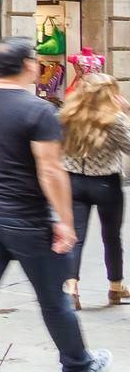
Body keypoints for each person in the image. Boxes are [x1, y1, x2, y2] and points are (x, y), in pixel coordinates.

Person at [0, 37, 110, 372]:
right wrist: (66, 222)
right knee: (52, 297)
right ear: (27, 65)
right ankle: (77, 365)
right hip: (25, 216)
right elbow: (51, 170)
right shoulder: (38, 111)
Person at [59, 72, 130, 308]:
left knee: (74, 237)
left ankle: (71, 289)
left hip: (74, 181)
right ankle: (116, 286)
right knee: (111, 236)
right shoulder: (115, 119)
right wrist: (127, 113)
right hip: (105, 183)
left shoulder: (66, 116)